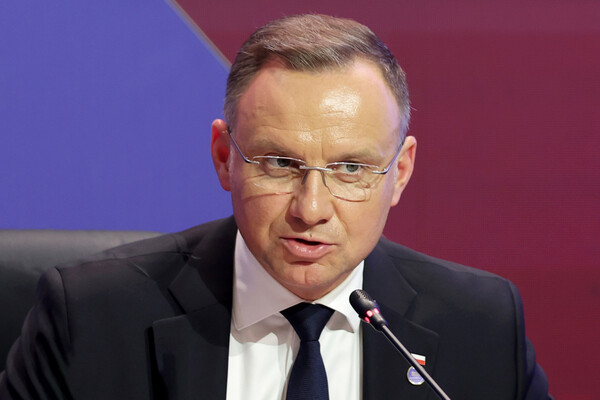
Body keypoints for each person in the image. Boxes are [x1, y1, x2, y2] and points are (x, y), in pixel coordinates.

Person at [0, 14, 551, 400]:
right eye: (280, 163)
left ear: (399, 172)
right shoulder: (91, 318)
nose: (311, 209)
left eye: (350, 169)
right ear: (224, 157)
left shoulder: (480, 325)